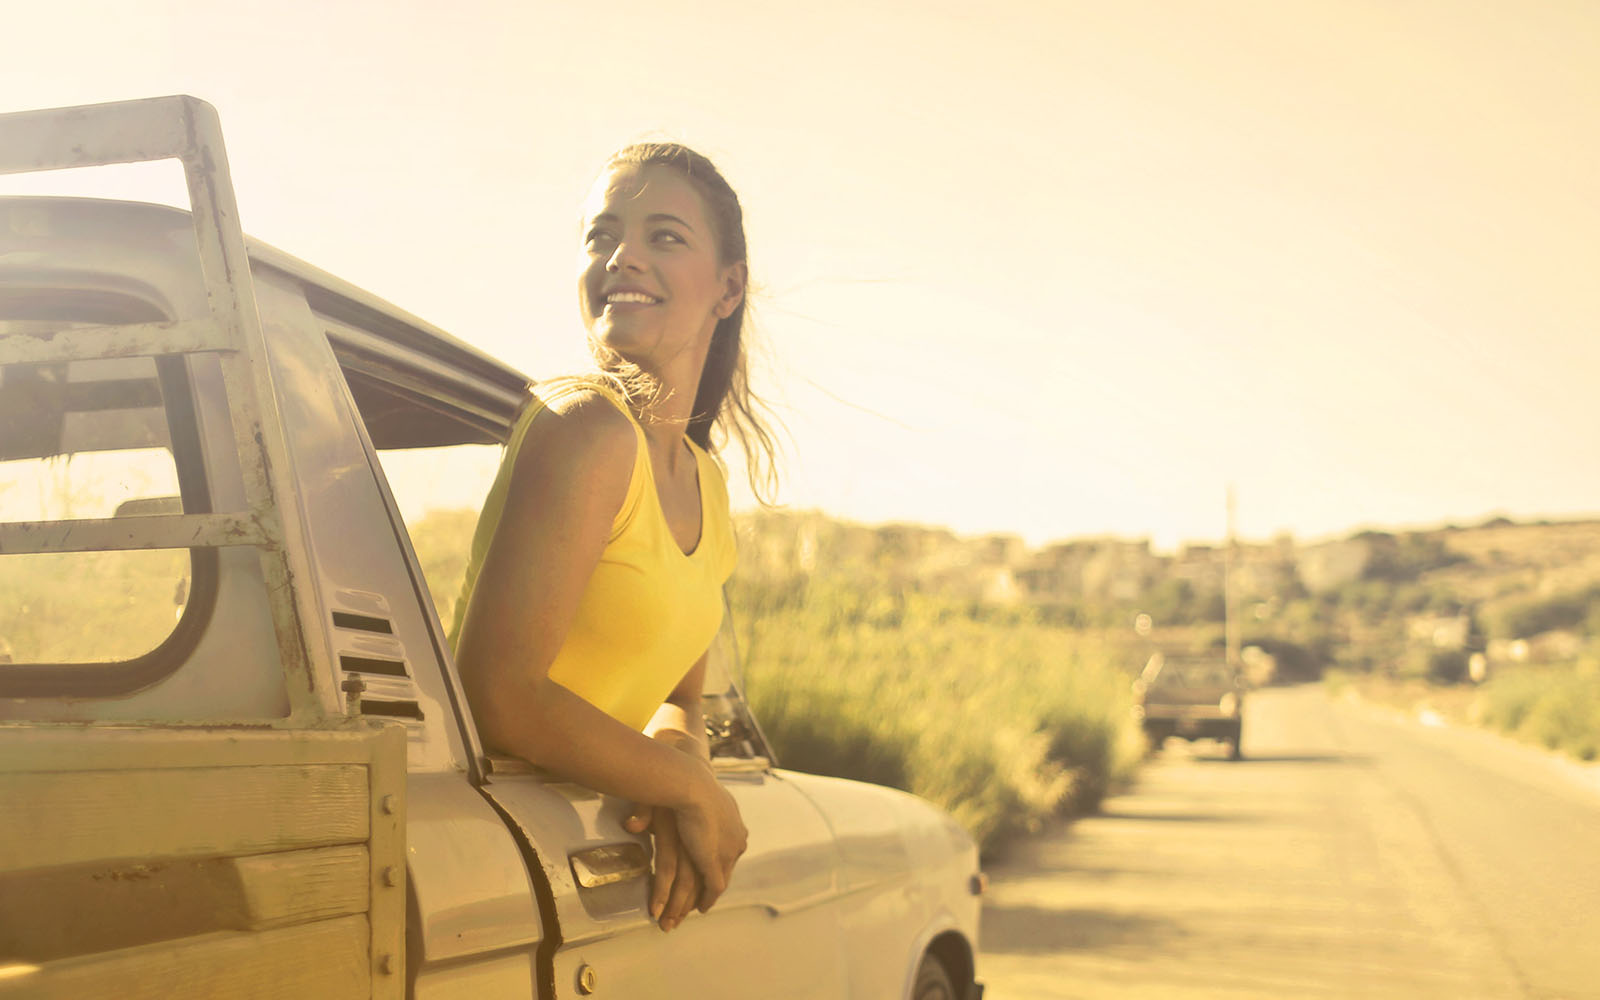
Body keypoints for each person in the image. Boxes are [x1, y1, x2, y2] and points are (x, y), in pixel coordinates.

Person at [450, 143, 777, 935]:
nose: (622, 255)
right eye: (602, 235)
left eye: (664, 236)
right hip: (482, 853)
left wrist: (675, 771)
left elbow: (679, 697)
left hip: (572, 855)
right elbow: (499, 696)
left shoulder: (707, 483)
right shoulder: (584, 428)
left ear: (728, 287)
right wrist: (691, 790)